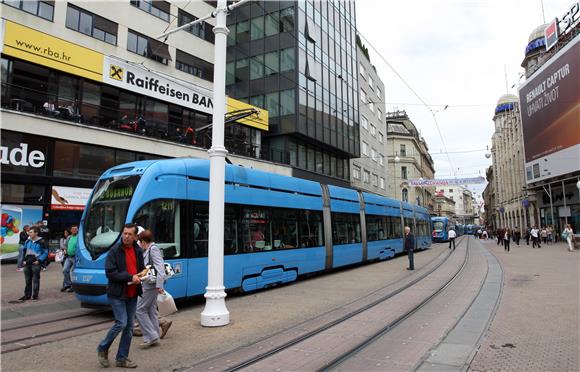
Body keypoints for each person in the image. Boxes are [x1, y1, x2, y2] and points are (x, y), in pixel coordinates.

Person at [97, 224, 144, 369]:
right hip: (117, 293)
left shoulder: (137, 249)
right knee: (121, 323)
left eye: (130, 234)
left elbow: (140, 268)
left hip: (132, 293)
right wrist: (130, 276)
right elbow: (110, 273)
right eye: (125, 233)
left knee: (129, 327)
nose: (127, 236)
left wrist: (145, 273)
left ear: (136, 236)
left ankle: (121, 358)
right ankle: (102, 347)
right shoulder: (114, 251)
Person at [135, 229, 167, 348]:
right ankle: (155, 336)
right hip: (151, 285)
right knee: (151, 310)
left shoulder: (153, 249)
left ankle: (151, 336)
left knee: (139, 310)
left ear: (143, 241)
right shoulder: (148, 249)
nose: (139, 244)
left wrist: (159, 286)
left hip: (151, 286)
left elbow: (160, 267)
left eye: (139, 242)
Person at [18, 226, 48, 301]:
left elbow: (45, 253)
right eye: (29, 232)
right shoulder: (27, 241)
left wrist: (39, 261)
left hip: (36, 264)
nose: (29, 233)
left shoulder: (42, 241)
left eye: (31, 232)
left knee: (35, 280)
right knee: (27, 280)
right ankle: (27, 295)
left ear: (36, 233)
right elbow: (24, 251)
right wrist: (24, 260)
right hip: (27, 263)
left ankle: (35, 296)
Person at [61, 225, 78, 292]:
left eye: (75, 229)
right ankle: (68, 284)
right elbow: (65, 246)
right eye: (73, 229)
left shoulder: (79, 237)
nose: (74, 230)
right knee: (65, 270)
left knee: (74, 272)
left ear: (78, 230)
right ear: (70, 230)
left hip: (75, 257)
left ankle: (74, 286)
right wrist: (65, 250)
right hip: (68, 257)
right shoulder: (69, 237)